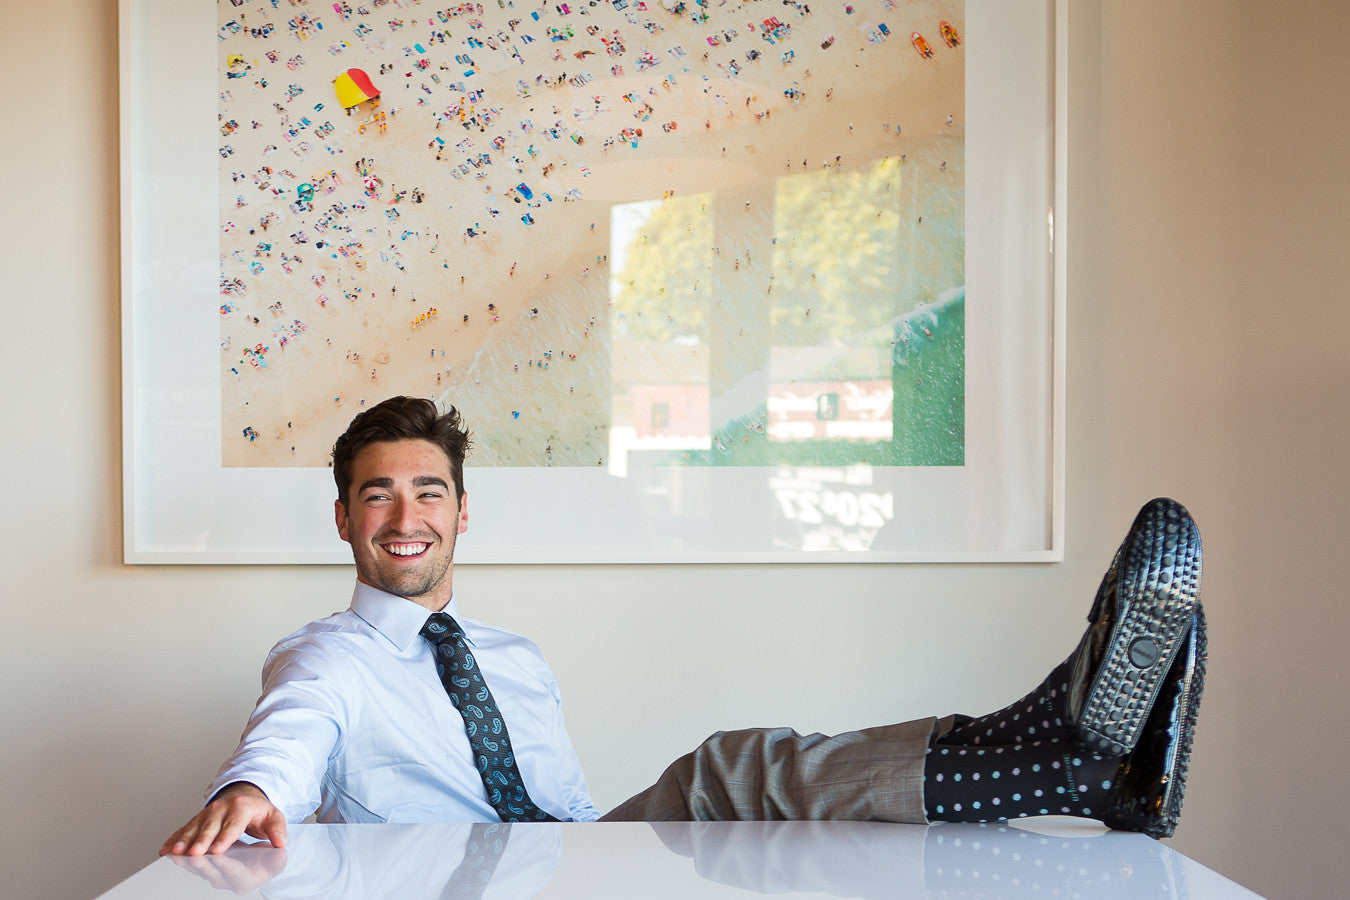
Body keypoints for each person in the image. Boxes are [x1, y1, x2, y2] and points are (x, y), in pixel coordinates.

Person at [162, 397, 1206, 857]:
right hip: (458, 882)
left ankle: (1068, 757)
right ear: (344, 518)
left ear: (461, 513)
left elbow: (569, 811)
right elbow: (292, 731)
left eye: (429, 493)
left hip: (573, 863)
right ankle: (1063, 751)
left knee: (758, 783)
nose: (406, 517)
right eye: (378, 496)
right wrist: (252, 790)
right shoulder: (326, 656)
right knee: (724, 770)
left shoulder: (513, 661)